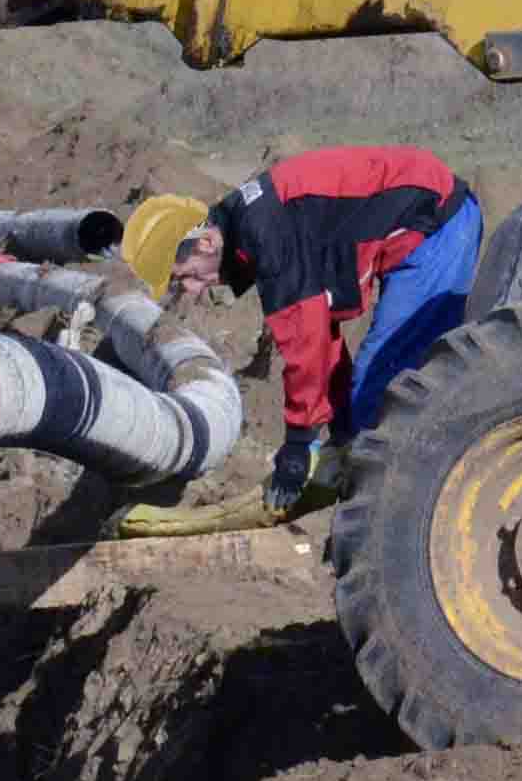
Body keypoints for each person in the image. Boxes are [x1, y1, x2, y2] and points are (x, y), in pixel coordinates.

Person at [137, 146, 479, 514]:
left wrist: (298, 443)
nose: (192, 289)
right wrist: (340, 423)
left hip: (436, 222)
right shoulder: (246, 225)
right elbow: (322, 328)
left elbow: (307, 341)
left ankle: (406, 513)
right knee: (365, 408)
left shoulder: (265, 236)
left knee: (385, 393)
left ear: (205, 242)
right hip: (420, 215)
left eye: (185, 276)